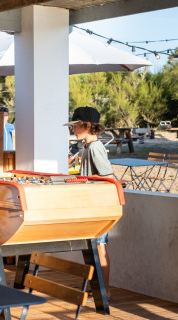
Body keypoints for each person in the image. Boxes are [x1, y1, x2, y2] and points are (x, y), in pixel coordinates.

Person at [64, 106, 114, 300]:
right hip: (92, 203)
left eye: (76, 126)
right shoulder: (87, 147)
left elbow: (108, 176)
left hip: (100, 205)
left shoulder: (94, 147)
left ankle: (104, 291)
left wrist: (82, 179)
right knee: (94, 247)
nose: (73, 129)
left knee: (99, 247)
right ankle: (97, 289)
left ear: (88, 125)